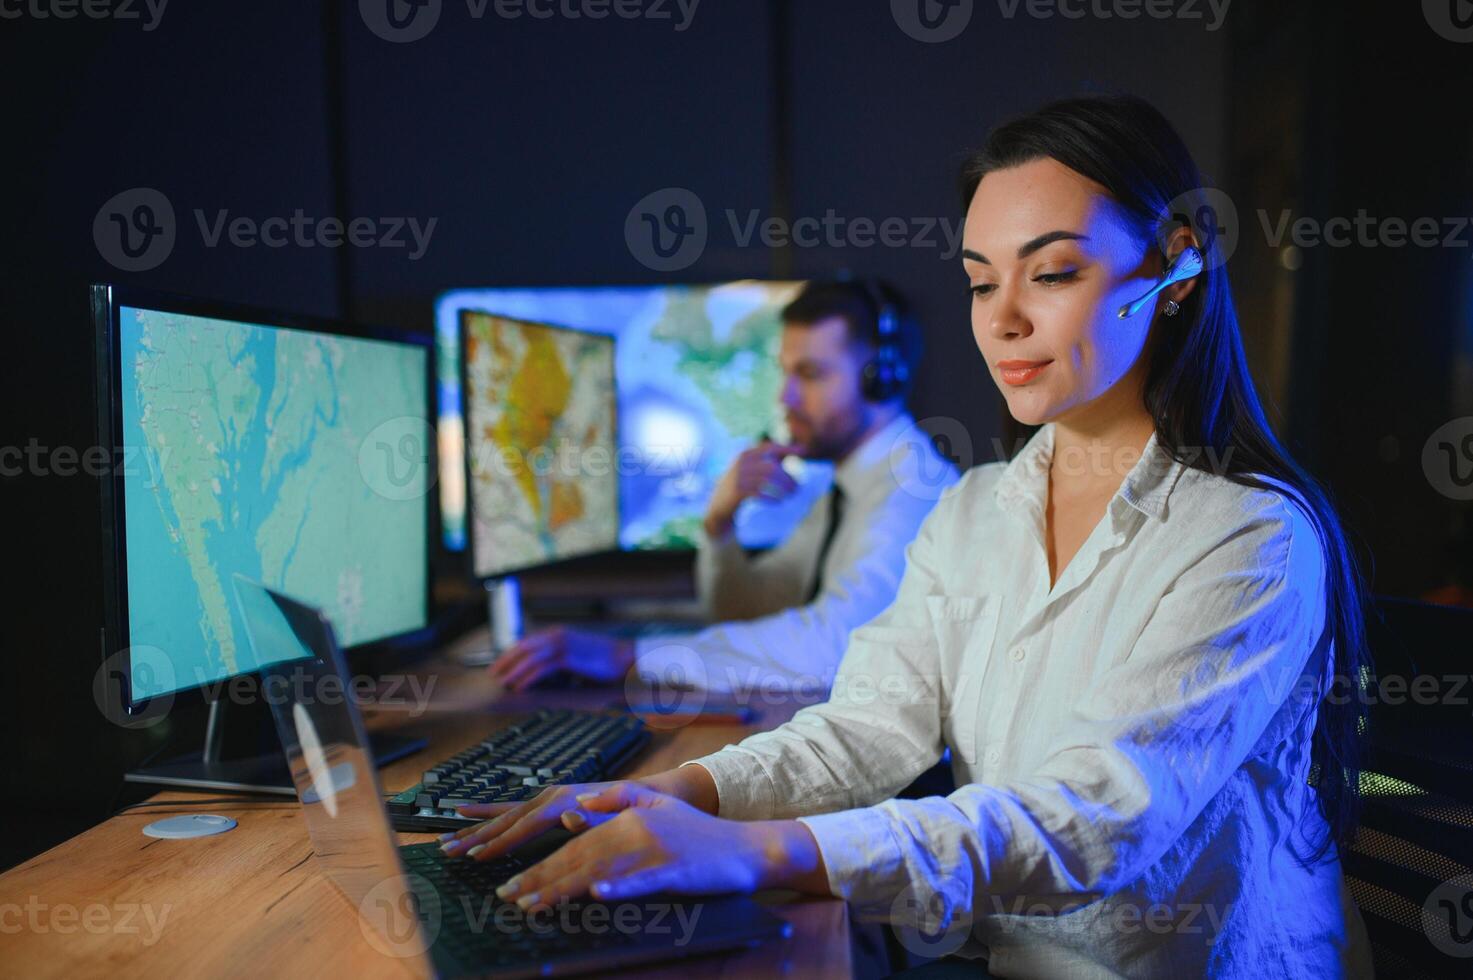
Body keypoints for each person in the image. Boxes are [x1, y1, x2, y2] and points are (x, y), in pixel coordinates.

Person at [443, 95, 1374, 977]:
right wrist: (683, 796)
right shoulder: (974, 509)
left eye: (1051, 272)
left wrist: (753, 851)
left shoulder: (1247, 537)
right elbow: (869, 720)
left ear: (1173, 266)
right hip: (997, 958)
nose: (1002, 318)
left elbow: (1093, 822)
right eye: (979, 282)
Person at [489, 281, 960, 695]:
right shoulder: (848, 489)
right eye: (785, 371)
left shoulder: (911, 496)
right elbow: (747, 613)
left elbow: (833, 649)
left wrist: (627, 656)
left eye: (811, 374)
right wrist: (719, 524)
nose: (785, 397)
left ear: (882, 379)